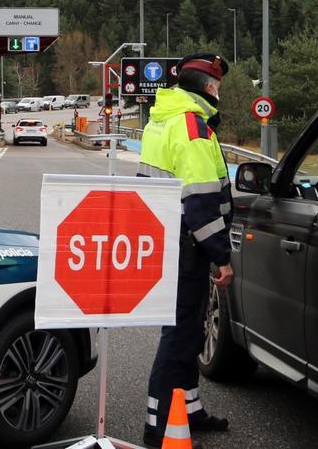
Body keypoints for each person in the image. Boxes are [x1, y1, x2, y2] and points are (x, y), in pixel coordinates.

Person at [137, 53, 233, 447]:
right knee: (179, 336)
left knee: (189, 331)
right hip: (187, 246)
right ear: (207, 86)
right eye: (217, 84)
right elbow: (199, 203)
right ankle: (157, 424)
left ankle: (188, 408)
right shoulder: (193, 128)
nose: (219, 90)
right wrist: (221, 256)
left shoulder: (161, 121)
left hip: (165, 240)